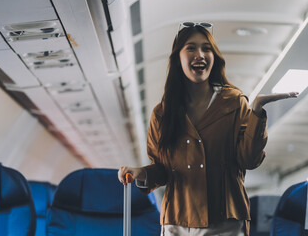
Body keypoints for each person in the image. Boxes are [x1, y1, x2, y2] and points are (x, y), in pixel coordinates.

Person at [117, 22, 298, 236]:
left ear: (214, 57)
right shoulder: (162, 113)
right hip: (177, 221)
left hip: (224, 221)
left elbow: (249, 160)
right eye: (191, 48)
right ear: (178, 58)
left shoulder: (233, 102)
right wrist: (140, 173)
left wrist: (256, 111)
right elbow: (163, 170)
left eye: (206, 48)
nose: (200, 54)